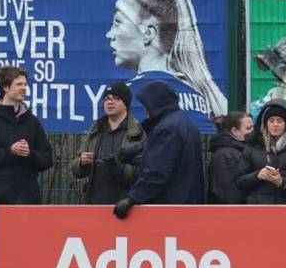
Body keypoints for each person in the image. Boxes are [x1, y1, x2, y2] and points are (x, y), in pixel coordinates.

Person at [106, 0, 228, 130]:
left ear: (149, 33)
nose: (109, 34)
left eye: (118, 22)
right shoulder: (199, 95)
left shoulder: (129, 95)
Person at [113, 81, 204, 218]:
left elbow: (158, 171)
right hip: (185, 201)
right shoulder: (182, 122)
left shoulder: (168, 128)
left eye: (146, 105)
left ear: (155, 104)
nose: (144, 110)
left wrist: (133, 198)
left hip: (169, 206)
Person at [0, 66, 53, 204]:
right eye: (19, 84)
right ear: (5, 87)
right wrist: (9, 152)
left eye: (25, 84)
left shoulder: (32, 121)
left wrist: (29, 154)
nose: (24, 88)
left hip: (29, 202)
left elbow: (47, 159)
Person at [71, 82, 144, 204]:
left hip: (125, 203)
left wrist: (119, 168)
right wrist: (82, 163)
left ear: (126, 104)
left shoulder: (137, 132)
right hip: (94, 201)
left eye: (116, 98)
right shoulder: (96, 129)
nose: (110, 102)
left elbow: (143, 171)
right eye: (106, 99)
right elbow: (75, 167)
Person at [236, 100, 286, 205]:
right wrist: (257, 175)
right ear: (265, 124)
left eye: (279, 121)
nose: (275, 125)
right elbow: (240, 181)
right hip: (258, 208)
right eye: (271, 121)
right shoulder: (252, 147)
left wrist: (282, 182)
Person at [207, 111, 253, 204]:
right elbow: (228, 192)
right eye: (248, 128)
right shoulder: (225, 155)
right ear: (234, 131)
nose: (253, 131)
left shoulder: (240, 151)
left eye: (253, 127)